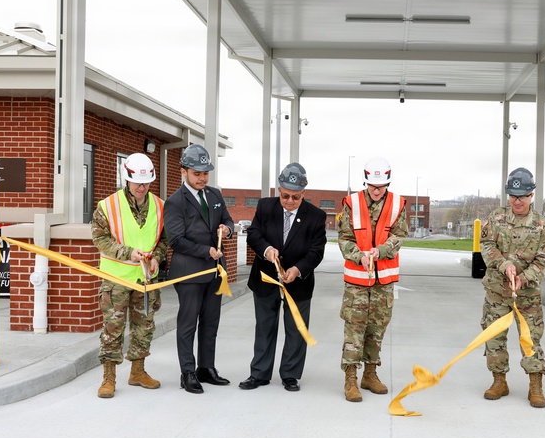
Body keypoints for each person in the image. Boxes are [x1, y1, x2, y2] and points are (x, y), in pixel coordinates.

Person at [242, 163, 327, 392]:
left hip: (298, 282)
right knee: (265, 327)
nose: (289, 201)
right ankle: (259, 373)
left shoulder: (316, 217)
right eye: (285, 195)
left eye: (295, 197)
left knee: (295, 330)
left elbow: (317, 251)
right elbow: (254, 234)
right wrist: (267, 250)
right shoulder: (265, 206)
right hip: (266, 279)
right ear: (278, 190)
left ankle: (290, 375)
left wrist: (298, 270)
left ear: (304, 193)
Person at [91, 152, 168, 398]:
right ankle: (109, 378)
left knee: (144, 326)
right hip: (117, 278)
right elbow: (99, 239)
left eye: (146, 183)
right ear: (127, 179)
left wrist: (157, 257)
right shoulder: (108, 206)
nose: (142, 187)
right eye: (138, 183)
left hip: (146, 279)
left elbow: (164, 239)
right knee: (113, 328)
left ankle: (137, 372)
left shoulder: (159, 205)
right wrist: (127, 253)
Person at [479, 167, 545, 407]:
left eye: (522, 196)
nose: (517, 201)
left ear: (531, 194)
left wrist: (525, 277)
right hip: (497, 292)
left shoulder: (542, 226)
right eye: (513, 196)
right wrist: (503, 265)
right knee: (493, 338)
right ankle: (499, 381)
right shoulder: (496, 218)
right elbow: (487, 243)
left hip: (527, 294)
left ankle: (535, 385)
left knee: (530, 339)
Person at [164, 143, 235, 394]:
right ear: (183, 171)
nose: (202, 177)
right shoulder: (175, 202)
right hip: (190, 273)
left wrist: (227, 229)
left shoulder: (215, 195)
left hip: (215, 272)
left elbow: (228, 219)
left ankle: (207, 368)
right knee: (188, 324)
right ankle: (188, 372)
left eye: (205, 173)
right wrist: (205, 251)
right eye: (197, 173)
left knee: (210, 322)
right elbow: (175, 240)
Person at [337, 156, 408, 402]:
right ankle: (350, 380)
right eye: (373, 186)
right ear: (366, 182)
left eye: (381, 186)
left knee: (376, 329)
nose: (377, 191)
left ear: (388, 183)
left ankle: (370, 374)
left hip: (384, 281)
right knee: (354, 329)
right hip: (357, 281)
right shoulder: (352, 203)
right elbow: (344, 238)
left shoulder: (398, 204)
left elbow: (399, 236)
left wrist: (382, 251)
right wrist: (359, 256)